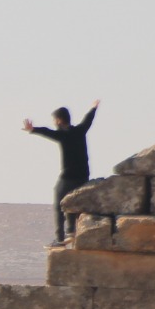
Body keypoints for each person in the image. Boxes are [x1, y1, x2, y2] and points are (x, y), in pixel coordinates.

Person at [23, 98, 100, 245]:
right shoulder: (80, 131)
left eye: (54, 120)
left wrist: (33, 130)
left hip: (68, 177)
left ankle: (60, 238)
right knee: (73, 202)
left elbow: (47, 132)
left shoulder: (62, 135)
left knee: (59, 204)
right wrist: (93, 108)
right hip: (83, 176)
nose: (53, 123)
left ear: (59, 120)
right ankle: (72, 230)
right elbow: (88, 120)